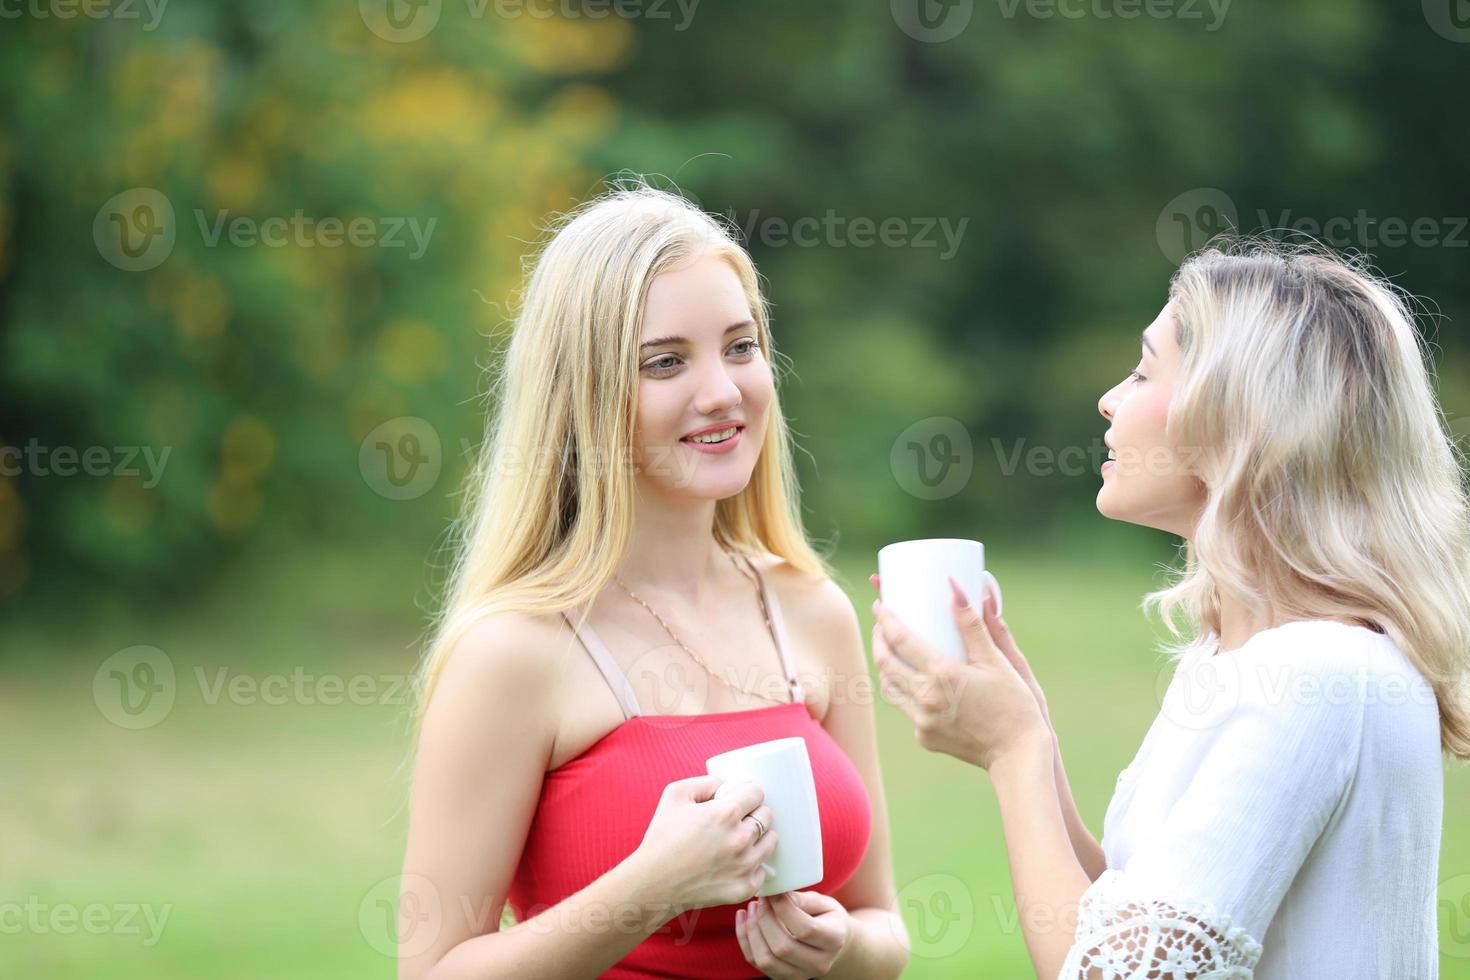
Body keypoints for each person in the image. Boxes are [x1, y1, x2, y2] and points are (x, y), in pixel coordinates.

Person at [871, 240, 1467, 978]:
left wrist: (1012, 753)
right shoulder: (1245, 662)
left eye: (1145, 370)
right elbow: (1128, 927)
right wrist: (1034, 736)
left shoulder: (1318, 677)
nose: (1110, 400)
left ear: (1240, 419)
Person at [396, 182, 910, 980]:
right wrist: (652, 886)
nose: (723, 391)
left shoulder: (812, 612)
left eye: (741, 347)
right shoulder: (514, 652)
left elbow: (882, 926)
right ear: (585, 398)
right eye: (666, 363)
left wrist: (839, 950)